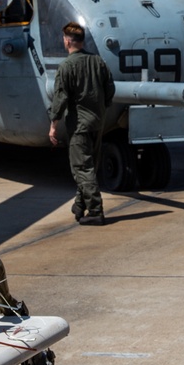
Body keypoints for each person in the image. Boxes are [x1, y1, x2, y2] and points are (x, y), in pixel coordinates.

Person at [49, 22, 115, 226]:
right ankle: (79, 205)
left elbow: (60, 98)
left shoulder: (66, 66)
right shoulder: (98, 61)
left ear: (67, 41)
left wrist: (53, 124)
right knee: (89, 167)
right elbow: (110, 89)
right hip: (97, 122)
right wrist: (102, 108)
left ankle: (95, 210)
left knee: (81, 169)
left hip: (79, 125)